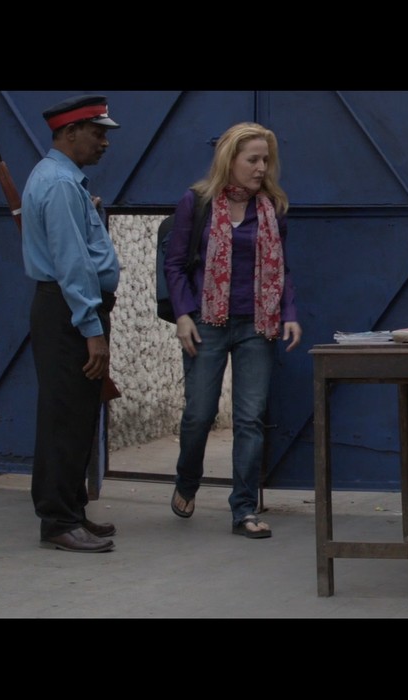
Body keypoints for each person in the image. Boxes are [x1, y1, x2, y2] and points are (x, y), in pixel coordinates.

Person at [163, 122, 302, 539]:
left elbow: (282, 267)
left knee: (249, 418)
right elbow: (174, 264)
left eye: (266, 160)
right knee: (199, 414)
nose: (262, 168)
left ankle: (243, 508)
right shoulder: (197, 202)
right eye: (253, 160)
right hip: (206, 321)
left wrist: (288, 312)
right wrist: (183, 315)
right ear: (230, 160)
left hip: (257, 324)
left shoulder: (272, 207)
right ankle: (188, 479)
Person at [21, 95, 122, 553]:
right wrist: (92, 329)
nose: (104, 142)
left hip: (67, 309)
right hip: (69, 310)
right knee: (65, 417)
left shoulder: (63, 181)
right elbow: (72, 265)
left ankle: (72, 511)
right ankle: (58, 520)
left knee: (77, 414)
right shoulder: (61, 184)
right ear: (69, 133)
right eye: (97, 133)